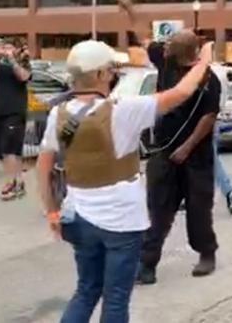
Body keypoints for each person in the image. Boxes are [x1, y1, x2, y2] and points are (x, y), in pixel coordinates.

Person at [36, 39, 213, 323]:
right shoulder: (124, 110)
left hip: (79, 216)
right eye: (110, 69)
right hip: (122, 220)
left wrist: (51, 212)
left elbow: (44, 165)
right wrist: (204, 61)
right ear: (99, 74)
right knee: (116, 298)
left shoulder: (60, 114)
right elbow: (182, 92)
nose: (113, 74)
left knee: (86, 290)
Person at [118, 0, 223, 284]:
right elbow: (143, 36)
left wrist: (187, 148)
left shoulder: (207, 79)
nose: (163, 47)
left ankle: (206, 253)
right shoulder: (166, 64)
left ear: (182, 52)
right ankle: (147, 264)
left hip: (195, 156)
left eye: (170, 45)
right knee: (158, 209)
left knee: (198, 210)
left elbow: (208, 117)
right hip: (163, 152)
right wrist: (130, 8)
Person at [0, 38, 32, 200]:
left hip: (15, 112)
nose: (7, 50)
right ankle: (19, 181)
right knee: (10, 151)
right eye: (4, 47)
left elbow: (23, 77)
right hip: (0, 112)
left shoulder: (23, 63)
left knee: (9, 150)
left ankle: (10, 182)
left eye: (10, 48)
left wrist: (12, 60)